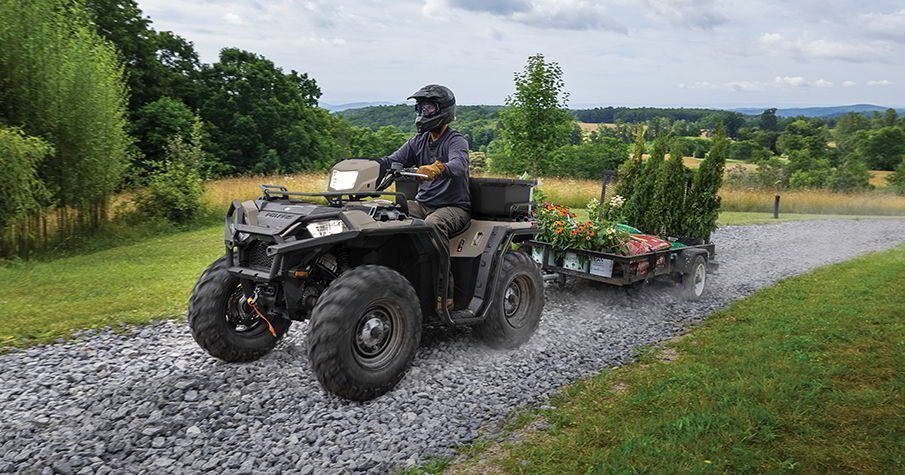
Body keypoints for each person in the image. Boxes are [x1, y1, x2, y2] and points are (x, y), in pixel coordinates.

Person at [381, 84, 471, 246]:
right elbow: (392, 161)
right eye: (420, 108)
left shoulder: (456, 140)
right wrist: (369, 164)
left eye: (429, 108)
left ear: (443, 110)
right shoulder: (418, 141)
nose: (423, 113)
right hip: (422, 205)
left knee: (433, 224)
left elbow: (459, 165)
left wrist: (438, 168)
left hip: (453, 208)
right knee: (387, 215)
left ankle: (441, 271)